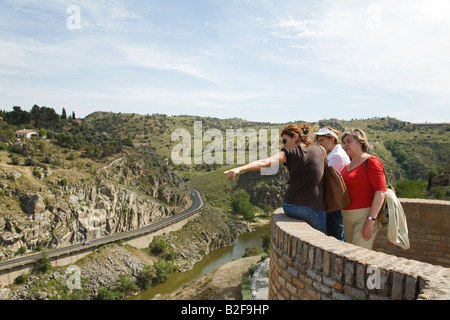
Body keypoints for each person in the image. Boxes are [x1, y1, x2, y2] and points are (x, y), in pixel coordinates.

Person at [225, 123, 327, 233]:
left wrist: (239, 169)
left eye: (284, 141)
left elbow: (264, 163)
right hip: (314, 208)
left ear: (295, 137)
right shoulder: (321, 150)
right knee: (320, 237)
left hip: (290, 206)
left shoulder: (289, 153)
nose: (283, 146)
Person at [340, 128, 387, 249]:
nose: (345, 145)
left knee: (359, 254)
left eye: (349, 141)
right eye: (344, 142)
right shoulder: (346, 167)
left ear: (360, 142)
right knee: (350, 253)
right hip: (346, 216)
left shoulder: (371, 161)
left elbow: (381, 192)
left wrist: (370, 220)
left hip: (364, 216)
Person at [313, 127, 350, 241]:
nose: (319, 143)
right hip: (334, 200)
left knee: (336, 235)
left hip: (334, 201)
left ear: (332, 139)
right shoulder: (334, 154)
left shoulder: (336, 156)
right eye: (318, 141)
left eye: (322, 140)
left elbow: (325, 178)